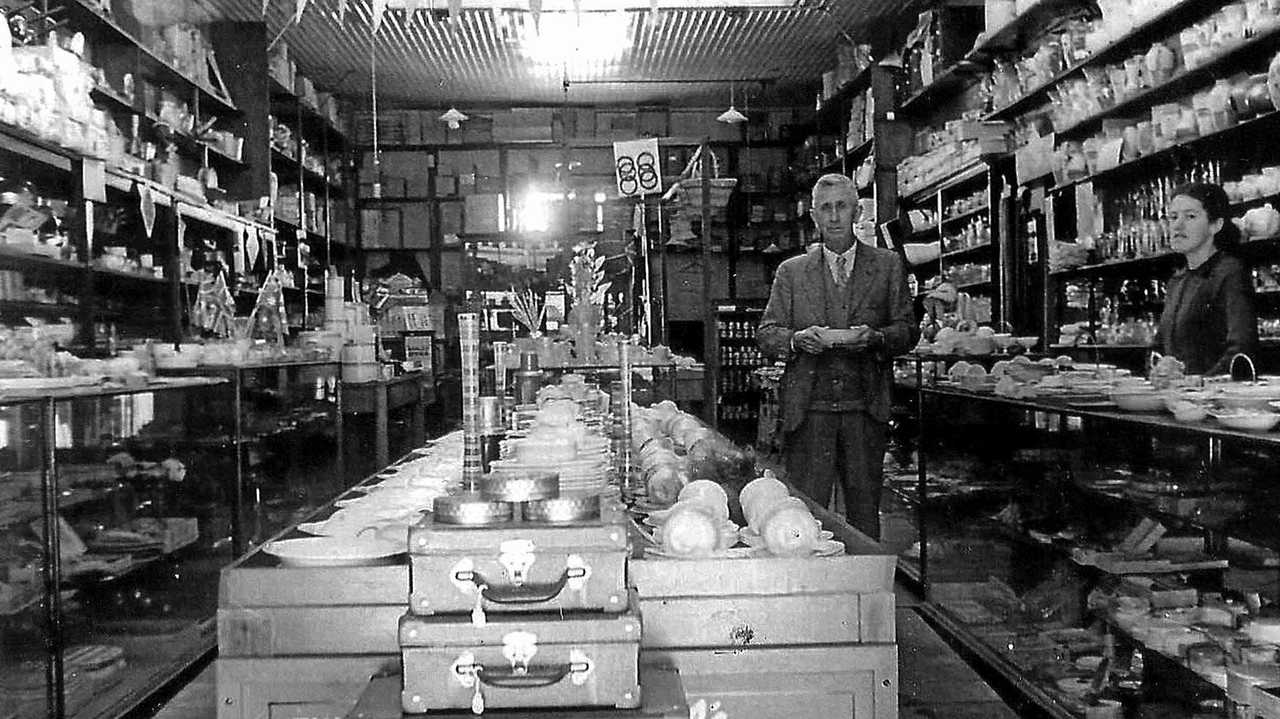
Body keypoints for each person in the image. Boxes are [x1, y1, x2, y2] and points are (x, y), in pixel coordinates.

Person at [756, 173, 914, 539]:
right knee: (805, 519)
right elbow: (767, 334)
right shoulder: (791, 273)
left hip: (864, 409)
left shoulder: (887, 265)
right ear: (813, 216)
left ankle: (867, 592)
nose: (834, 216)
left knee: (864, 516)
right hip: (810, 413)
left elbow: (907, 330)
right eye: (825, 208)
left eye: (842, 206)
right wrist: (796, 340)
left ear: (857, 211)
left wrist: (875, 338)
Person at [1157, 182, 1257, 376]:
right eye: (1173, 217)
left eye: (1190, 216)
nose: (1178, 225)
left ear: (1216, 225)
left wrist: (1200, 382)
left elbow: (1242, 349)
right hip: (1179, 399)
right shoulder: (1176, 281)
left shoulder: (1230, 272)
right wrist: (1159, 368)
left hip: (1217, 400)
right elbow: (1159, 347)